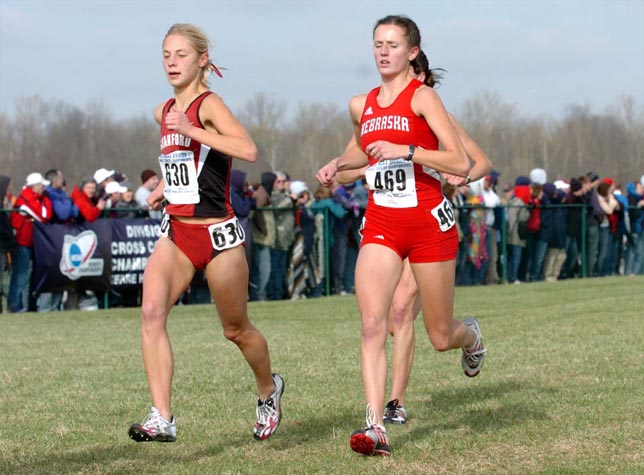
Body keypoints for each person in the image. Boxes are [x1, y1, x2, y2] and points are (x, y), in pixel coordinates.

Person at [316, 15, 487, 457]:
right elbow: (361, 151)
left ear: (412, 52)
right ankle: (375, 427)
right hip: (382, 225)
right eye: (377, 44)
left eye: (393, 44)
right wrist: (338, 165)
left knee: (438, 335)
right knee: (374, 323)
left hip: (430, 227)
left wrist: (406, 150)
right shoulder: (361, 104)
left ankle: (471, 335)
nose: (383, 51)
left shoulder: (424, 97)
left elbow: (461, 161)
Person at [128, 23, 283, 443]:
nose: (171, 62)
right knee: (151, 313)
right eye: (165, 55)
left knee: (236, 330)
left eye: (180, 54)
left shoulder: (208, 105)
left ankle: (268, 390)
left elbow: (248, 150)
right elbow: (182, 162)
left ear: (201, 60)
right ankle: (162, 416)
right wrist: (164, 188)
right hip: (177, 233)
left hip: (218, 237)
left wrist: (193, 129)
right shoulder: (163, 112)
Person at [8, 173, 53, 313]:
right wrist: (44, 200)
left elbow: (47, 214)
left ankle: (27, 305)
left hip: (33, 242)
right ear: (34, 186)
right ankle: (16, 306)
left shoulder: (37, 198)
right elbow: (42, 216)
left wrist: (44, 199)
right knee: (21, 276)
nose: (43, 188)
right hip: (23, 243)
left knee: (31, 275)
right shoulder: (26, 198)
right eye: (41, 185)